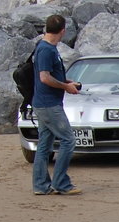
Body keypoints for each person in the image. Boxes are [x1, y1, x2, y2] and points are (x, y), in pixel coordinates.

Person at [31, 15, 82, 196]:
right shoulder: (46, 50)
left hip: (45, 103)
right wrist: (65, 86)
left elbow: (48, 75)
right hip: (49, 105)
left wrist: (66, 82)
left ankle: (41, 185)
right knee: (68, 140)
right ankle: (61, 183)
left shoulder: (46, 48)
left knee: (45, 145)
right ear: (62, 31)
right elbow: (44, 77)